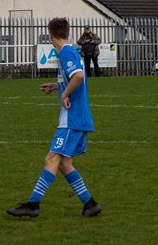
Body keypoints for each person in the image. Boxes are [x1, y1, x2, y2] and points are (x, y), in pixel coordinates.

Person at [8, 18, 101, 218]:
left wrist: (65, 94)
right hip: (75, 119)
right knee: (64, 163)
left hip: (72, 119)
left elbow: (78, 76)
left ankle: (33, 205)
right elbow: (73, 77)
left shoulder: (67, 52)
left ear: (50, 34)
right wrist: (56, 86)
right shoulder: (69, 52)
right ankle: (90, 204)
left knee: (51, 158)